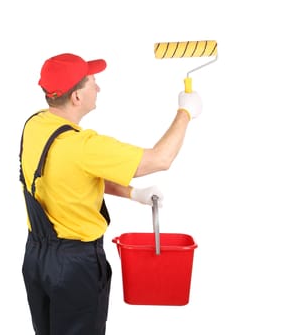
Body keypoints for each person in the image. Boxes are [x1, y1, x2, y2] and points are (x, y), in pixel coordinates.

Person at [19, 53, 202, 335]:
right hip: (75, 266)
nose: (98, 87)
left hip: (36, 259)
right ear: (77, 97)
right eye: (92, 81)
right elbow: (160, 159)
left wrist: (132, 193)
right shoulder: (84, 145)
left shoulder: (34, 126)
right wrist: (185, 112)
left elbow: (72, 175)